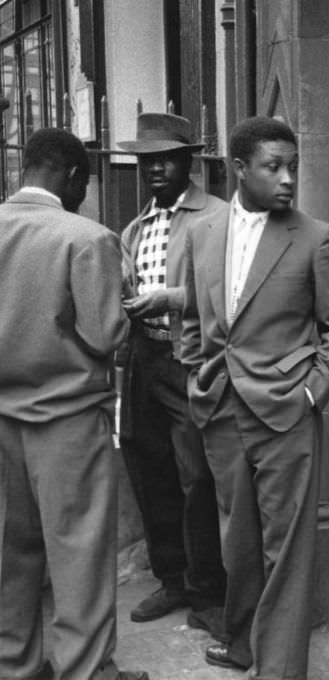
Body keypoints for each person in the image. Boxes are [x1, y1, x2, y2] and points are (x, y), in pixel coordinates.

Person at [180, 116, 329, 677]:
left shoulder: (314, 237)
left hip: (286, 412)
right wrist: (197, 376)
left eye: (292, 168)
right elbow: (195, 319)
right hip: (222, 411)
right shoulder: (202, 233)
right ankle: (242, 645)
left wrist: (312, 394)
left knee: (286, 552)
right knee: (238, 545)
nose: (287, 179)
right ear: (239, 169)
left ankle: (281, 670)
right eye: (272, 167)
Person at [0, 128, 148, 680]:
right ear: (72, 177)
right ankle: (84, 671)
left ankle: (14, 665)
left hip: (2, 419)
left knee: (10, 554)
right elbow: (106, 334)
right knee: (78, 553)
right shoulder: (86, 238)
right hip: (65, 419)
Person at [117, 112, 229, 636]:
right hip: (144, 357)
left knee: (196, 477)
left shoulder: (218, 217)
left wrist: (171, 299)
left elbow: (231, 293)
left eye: (166, 158)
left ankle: (208, 591)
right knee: (148, 466)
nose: (155, 168)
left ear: (189, 160)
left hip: (189, 359)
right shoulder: (135, 226)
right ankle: (173, 579)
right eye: (146, 160)